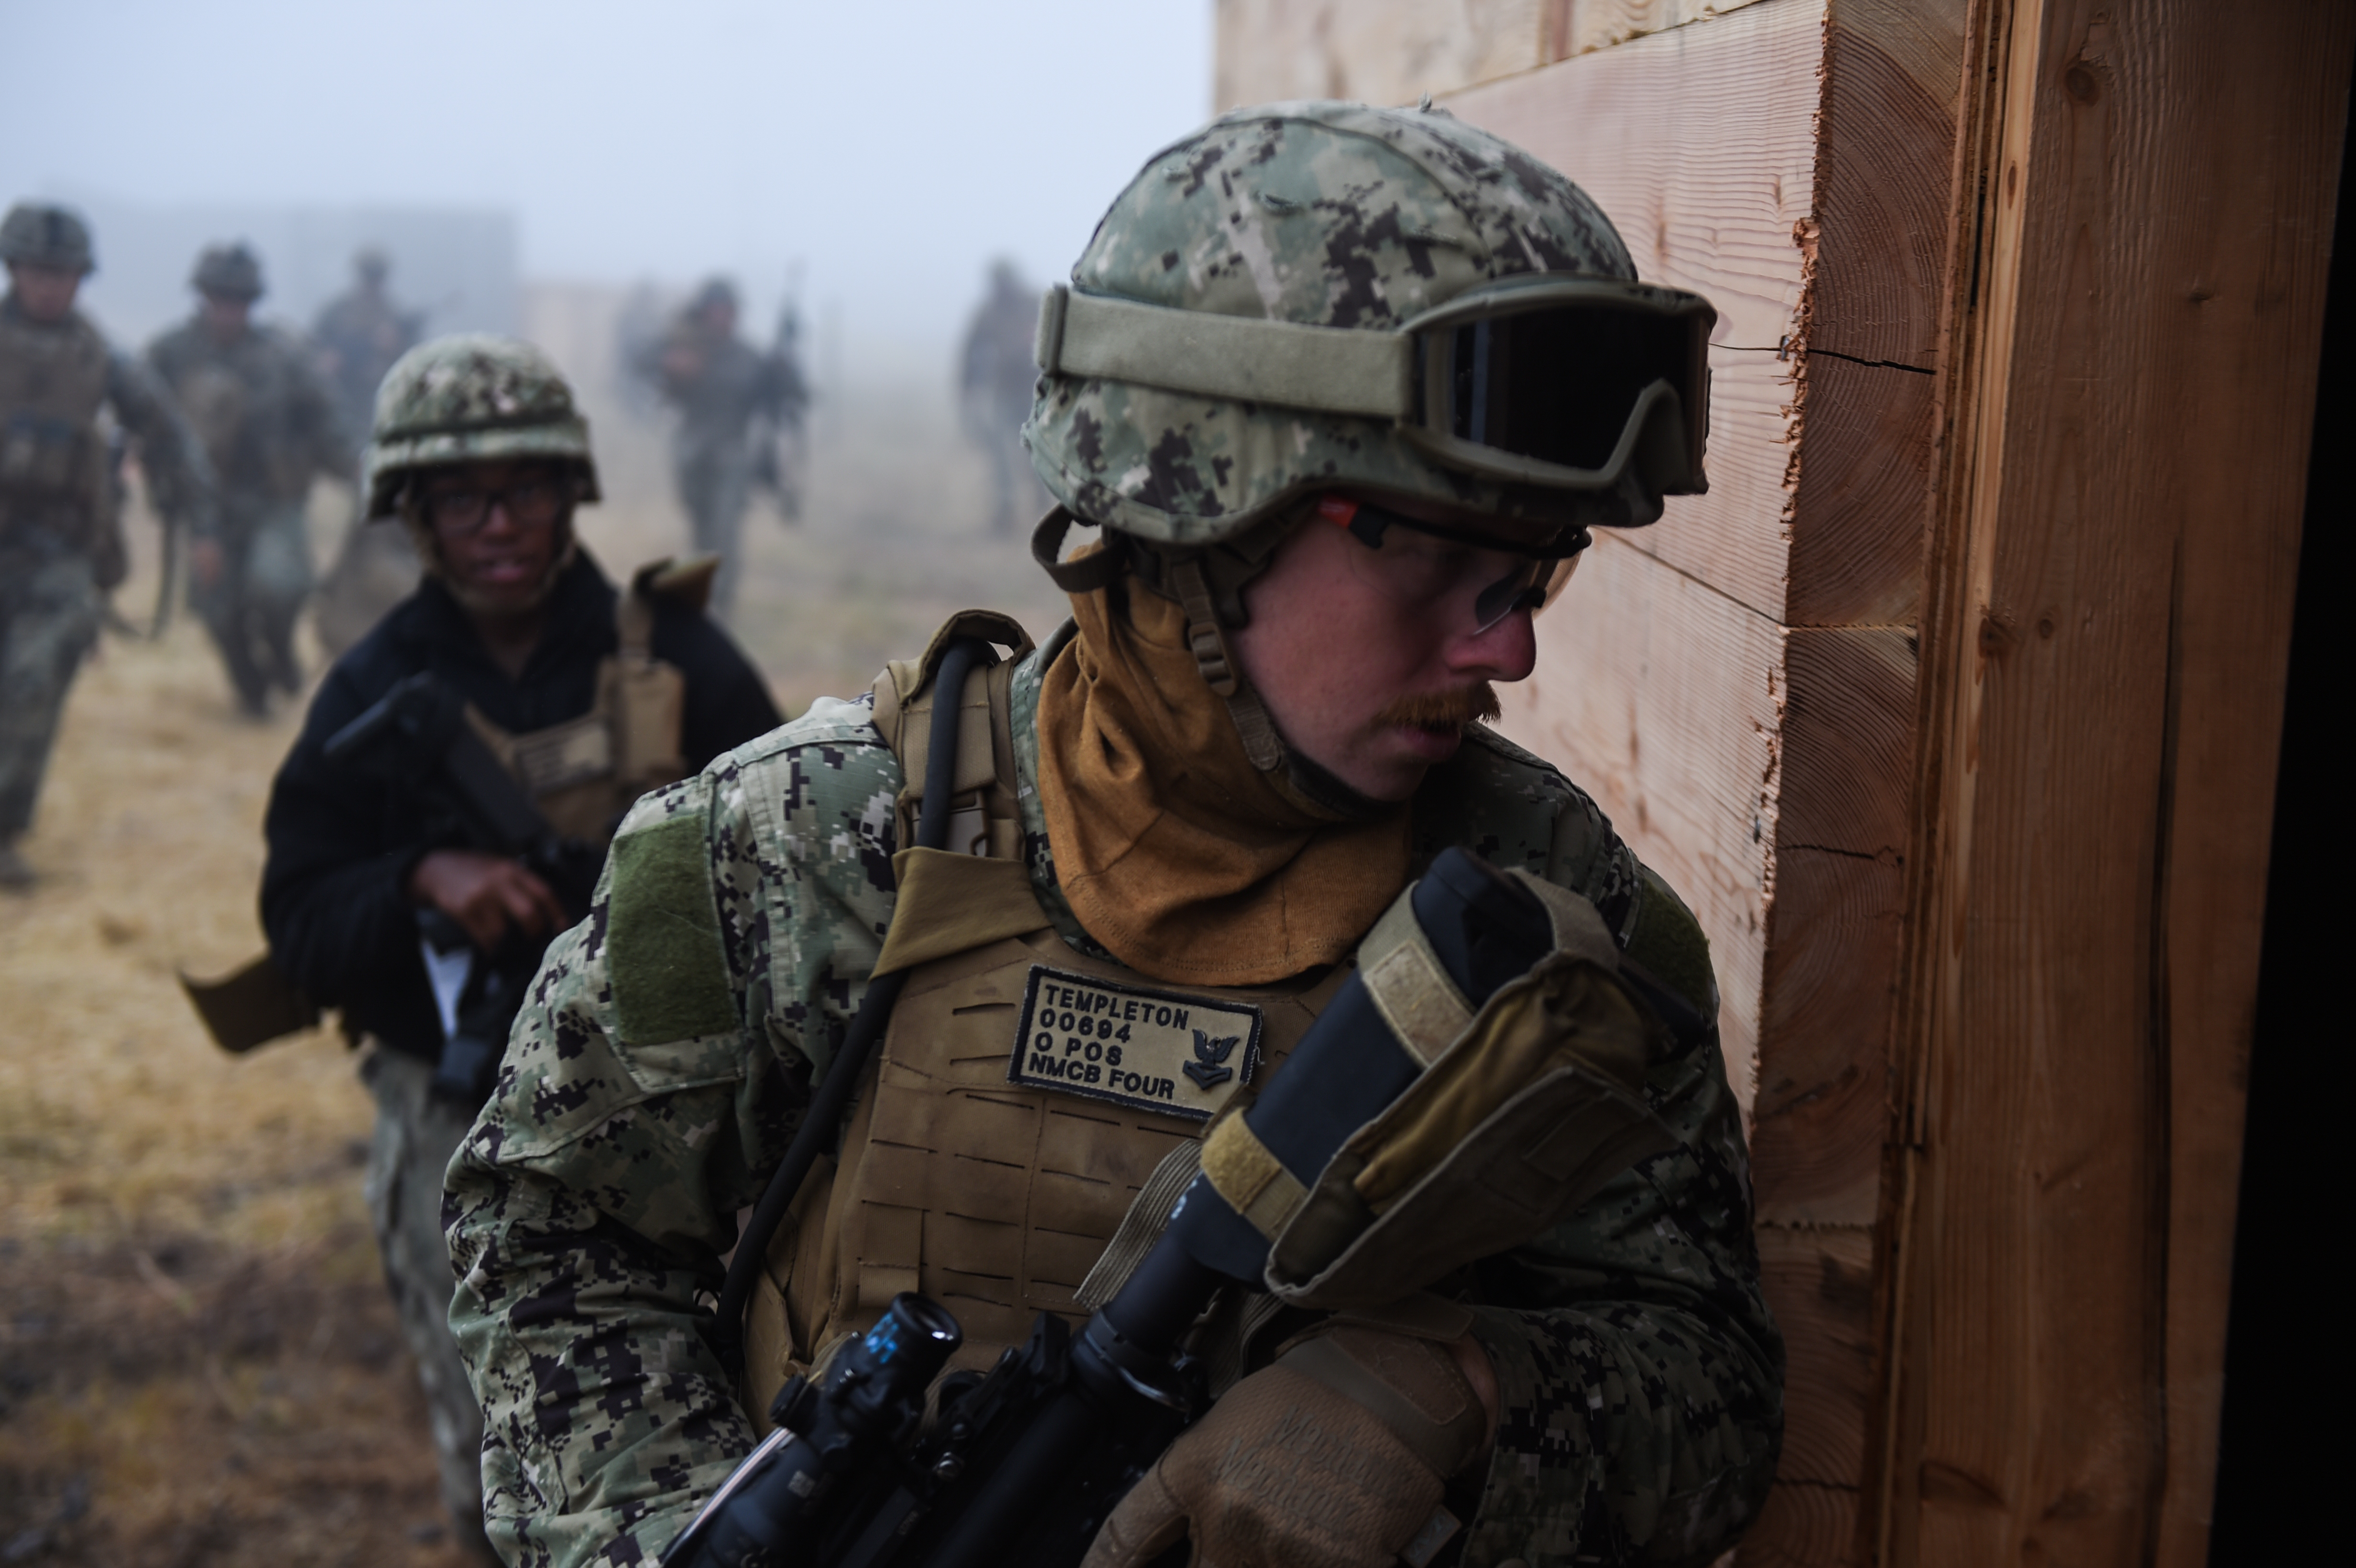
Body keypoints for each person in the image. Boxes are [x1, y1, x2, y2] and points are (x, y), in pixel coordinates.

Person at [447, 101, 1782, 1568]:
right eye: (1452, 557)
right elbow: (553, 1240)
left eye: (1541, 569)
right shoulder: (807, 847)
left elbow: (1706, 1378)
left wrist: (1456, 1394)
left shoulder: (1554, 923)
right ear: (1201, 510)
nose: (1511, 648)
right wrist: (670, 1533)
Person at [259, 335, 781, 1558]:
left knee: (723, 1451)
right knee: (507, 1483)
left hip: (693, 1128)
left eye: (527, 490)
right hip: (461, 1122)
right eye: (460, 496)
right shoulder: (371, 690)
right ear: (414, 514)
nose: (499, 523)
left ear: (571, 494)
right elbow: (298, 919)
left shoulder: (675, 660)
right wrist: (417, 882)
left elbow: (782, 861)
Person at [1, 201, 216, 892]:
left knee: (34, 680)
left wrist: (197, 505)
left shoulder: (100, 357)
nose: (49, 285)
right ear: (14, 270)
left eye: (63, 273)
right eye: (38, 270)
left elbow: (171, 433)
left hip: (56, 553)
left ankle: (3, 831)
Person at [148, 242, 355, 715]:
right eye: (219, 298)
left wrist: (356, 468)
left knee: (279, 585)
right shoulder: (171, 354)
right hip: (206, 508)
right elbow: (144, 420)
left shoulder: (283, 356)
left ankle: (281, 652)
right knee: (218, 610)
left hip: (273, 500)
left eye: (239, 300)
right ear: (202, 298)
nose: (228, 310)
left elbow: (324, 420)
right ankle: (251, 689)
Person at [643, 277, 805, 621]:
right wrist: (671, 356)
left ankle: (721, 608)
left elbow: (785, 395)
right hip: (691, 452)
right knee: (701, 528)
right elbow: (643, 362)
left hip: (732, 455)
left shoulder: (748, 357)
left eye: (729, 311)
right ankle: (701, 599)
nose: (723, 318)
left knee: (726, 532)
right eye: (716, 311)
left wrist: (785, 369)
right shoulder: (685, 348)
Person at [310, 248, 428, 660]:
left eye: (377, 277)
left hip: (382, 424)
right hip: (343, 422)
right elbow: (312, 361)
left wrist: (395, 344)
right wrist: (335, 360)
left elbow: (416, 369)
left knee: (374, 518)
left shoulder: (395, 316)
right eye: (368, 276)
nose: (372, 285)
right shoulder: (336, 315)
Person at [959, 256, 1050, 539]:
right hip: (1004, 391)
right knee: (1001, 455)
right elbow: (972, 347)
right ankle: (1006, 509)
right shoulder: (989, 310)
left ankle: (1043, 505)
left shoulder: (1034, 304)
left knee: (1038, 450)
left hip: (1035, 388)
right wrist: (967, 385)